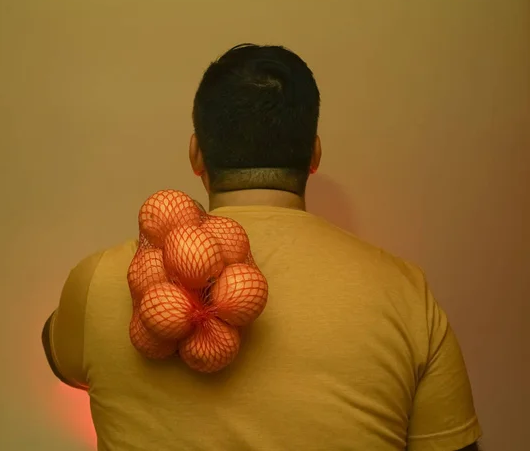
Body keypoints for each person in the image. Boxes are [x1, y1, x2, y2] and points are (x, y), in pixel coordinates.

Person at [42, 44, 481, 450]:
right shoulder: (405, 293)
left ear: (197, 155)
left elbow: (55, 351)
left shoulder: (100, 280)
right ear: (314, 154)